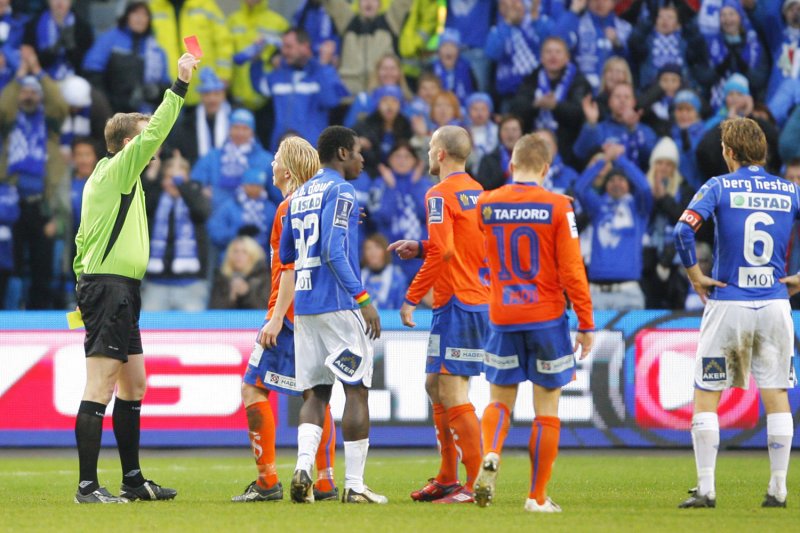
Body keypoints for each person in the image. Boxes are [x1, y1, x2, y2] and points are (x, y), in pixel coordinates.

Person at [71, 52, 198, 503]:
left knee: (134, 383)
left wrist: (81, 282)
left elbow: (83, 240)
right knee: (101, 385)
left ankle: (131, 480)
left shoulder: (113, 180)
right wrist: (180, 86)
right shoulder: (120, 170)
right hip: (110, 289)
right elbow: (159, 128)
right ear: (128, 143)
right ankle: (87, 487)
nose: (154, 146)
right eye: (145, 139)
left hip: (116, 288)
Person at [674, 117, 797, 509]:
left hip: (729, 304)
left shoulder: (719, 186)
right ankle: (778, 488)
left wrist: (696, 275)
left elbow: (682, 231)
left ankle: (707, 488)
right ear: (763, 151)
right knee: (776, 394)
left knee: (707, 393)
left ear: (729, 152)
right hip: (776, 303)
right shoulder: (788, 190)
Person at [474, 133, 594, 513]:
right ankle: (536, 497)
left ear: (511, 165)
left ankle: (491, 452)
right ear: (546, 169)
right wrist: (586, 322)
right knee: (547, 408)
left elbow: (480, 251)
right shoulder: (559, 206)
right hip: (545, 316)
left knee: (499, 400)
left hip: (502, 313)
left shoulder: (487, 204)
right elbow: (572, 268)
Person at [279, 126, 385, 504]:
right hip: (339, 305)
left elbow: (287, 255)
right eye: (357, 152)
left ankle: (303, 466)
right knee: (355, 390)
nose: (362, 159)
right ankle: (354, 486)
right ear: (342, 153)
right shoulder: (342, 190)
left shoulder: (298, 194)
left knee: (317, 392)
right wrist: (363, 298)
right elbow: (333, 249)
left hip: (306, 309)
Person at [233, 135, 338, 502]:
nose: (271, 164)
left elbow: (289, 269)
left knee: (252, 387)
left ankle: (267, 482)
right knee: (316, 395)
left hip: (290, 315)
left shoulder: (286, 208)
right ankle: (324, 481)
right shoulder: (319, 203)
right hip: (319, 312)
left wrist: (276, 318)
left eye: (276, 158)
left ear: (289, 170)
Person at [388, 126, 489, 504]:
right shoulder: (479, 192)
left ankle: (477, 483)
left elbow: (443, 254)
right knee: (435, 385)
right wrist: (421, 246)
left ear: (442, 154)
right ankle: (448, 476)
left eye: (430, 148)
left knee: (451, 389)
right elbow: (458, 245)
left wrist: (412, 297)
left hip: (457, 303)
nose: (428, 154)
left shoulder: (438, 194)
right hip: (475, 299)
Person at [0, 46, 68, 310]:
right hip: (11, 206)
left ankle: (39, 316)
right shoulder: (8, 124)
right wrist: (18, 78)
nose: (28, 95)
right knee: (10, 266)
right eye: (24, 92)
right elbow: (3, 107)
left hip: (43, 205)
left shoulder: (50, 125)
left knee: (42, 268)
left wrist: (38, 72)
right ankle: (9, 315)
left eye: (33, 92)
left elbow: (59, 104)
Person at [575, 144, 652, 310]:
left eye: (621, 180)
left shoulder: (638, 208)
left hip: (629, 292)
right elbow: (579, 189)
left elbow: (645, 188)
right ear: (606, 185)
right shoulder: (597, 206)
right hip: (596, 293)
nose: (616, 183)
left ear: (628, 184)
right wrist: (603, 162)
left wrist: (620, 159)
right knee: (594, 337)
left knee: (631, 338)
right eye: (612, 180)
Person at [250, 27, 345, 151]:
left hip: (311, 151)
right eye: (283, 46)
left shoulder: (320, 72)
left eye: (289, 47)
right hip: (281, 150)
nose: (284, 51)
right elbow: (260, 86)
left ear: (305, 47)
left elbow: (331, 100)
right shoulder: (279, 75)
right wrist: (257, 59)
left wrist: (324, 66)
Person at [142, 156, 210, 312]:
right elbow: (139, 200)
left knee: (194, 335)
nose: (173, 182)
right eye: (168, 177)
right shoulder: (155, 199)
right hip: (155, 284)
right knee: (150, 334)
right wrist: (152, 172)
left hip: (191, 284)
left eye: (178, 177)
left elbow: (201, 211)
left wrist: (182, 184)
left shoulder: (196, 195)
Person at [81, 1, 169, 114]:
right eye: (135, 13)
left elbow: (166, 85)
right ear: (126, 15)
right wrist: (109, 102)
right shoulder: (109, 40)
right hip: (111, 111)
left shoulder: (155, 50)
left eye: (144, 14)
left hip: (144, 115)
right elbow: (92, 71)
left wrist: (156, 91)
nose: (140, 19)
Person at [148, 0, 232, 106]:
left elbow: (223, 42)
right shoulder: (154, 8)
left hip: (205, 87)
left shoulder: (205, 4)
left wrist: (223, 75)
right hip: (167, 90)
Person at [321, 0, 413, 95]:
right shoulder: (347, 20)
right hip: (348, 94)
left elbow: (403, 2)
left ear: (380, 4)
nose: (369, 3)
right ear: (358, 3)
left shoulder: (391, 20)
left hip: (382, 96)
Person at [22, 0, 93, 81]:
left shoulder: (83, 27)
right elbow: (30, 59)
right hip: (40, 77)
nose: (60, 2)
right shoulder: (33, 24)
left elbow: (84, 64)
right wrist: (55, 48)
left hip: (72, 78)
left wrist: (70, 47)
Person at [209, 235, 270, 310]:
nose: (239, 255)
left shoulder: (263, 278)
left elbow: (266, 310)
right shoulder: (221, 279)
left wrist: (246, 294)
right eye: (235, 251)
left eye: (244, 252)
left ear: (253, 255)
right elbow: (214, 313)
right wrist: (231, 297)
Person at [477, 114, 524, 190]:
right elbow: (483, 187)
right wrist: (506, 175)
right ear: (499, 133)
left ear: (521, 133)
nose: (510, 134)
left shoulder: (528, 159)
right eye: (506, 130)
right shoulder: (488, 160)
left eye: (514, 130)